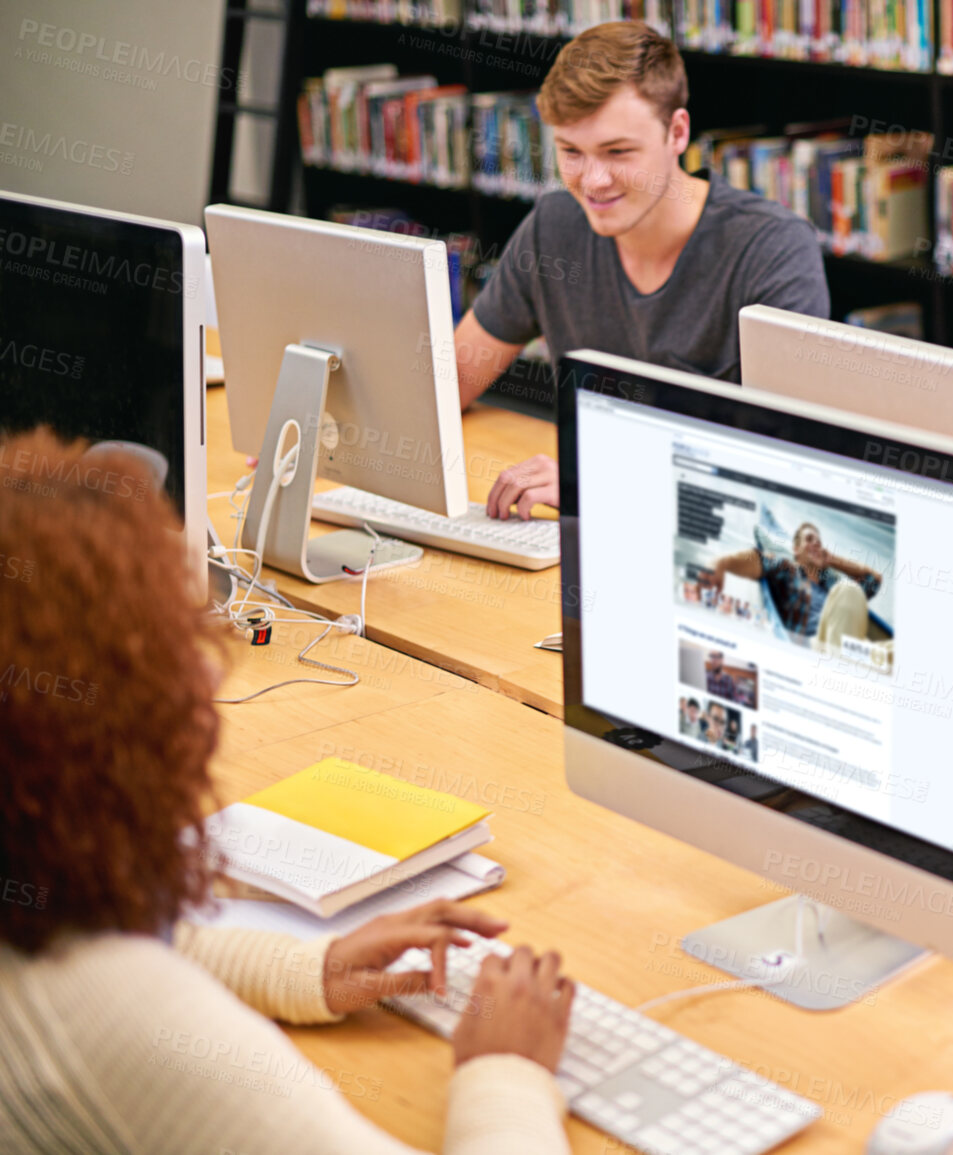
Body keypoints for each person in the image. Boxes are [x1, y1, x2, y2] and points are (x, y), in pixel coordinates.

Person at [0, 429, 576, 1154]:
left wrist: (306, 968)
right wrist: (507, 1071)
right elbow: (116, 995)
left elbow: (124, 945)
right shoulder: (116, 1023)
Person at [469, 21, 830, 520]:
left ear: (677, 132)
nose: (593, 181)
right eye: (571, 152)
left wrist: (594, 478)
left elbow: (791, 468)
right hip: (589, 527)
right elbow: (453, 379)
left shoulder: (772, 249)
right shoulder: (553, 225)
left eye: (618, 152)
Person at [703, 522, 884, 649]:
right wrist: (722, 563)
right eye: (810, 539)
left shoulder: (832, 585)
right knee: (848, 590)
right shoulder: (787, 570)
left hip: (848, 645)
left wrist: (833, 560)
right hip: (816, 646)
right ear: (796, 550)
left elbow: (874, 579)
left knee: (891, 651)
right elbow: (757, 558)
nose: (816, 543)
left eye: (819, 541)